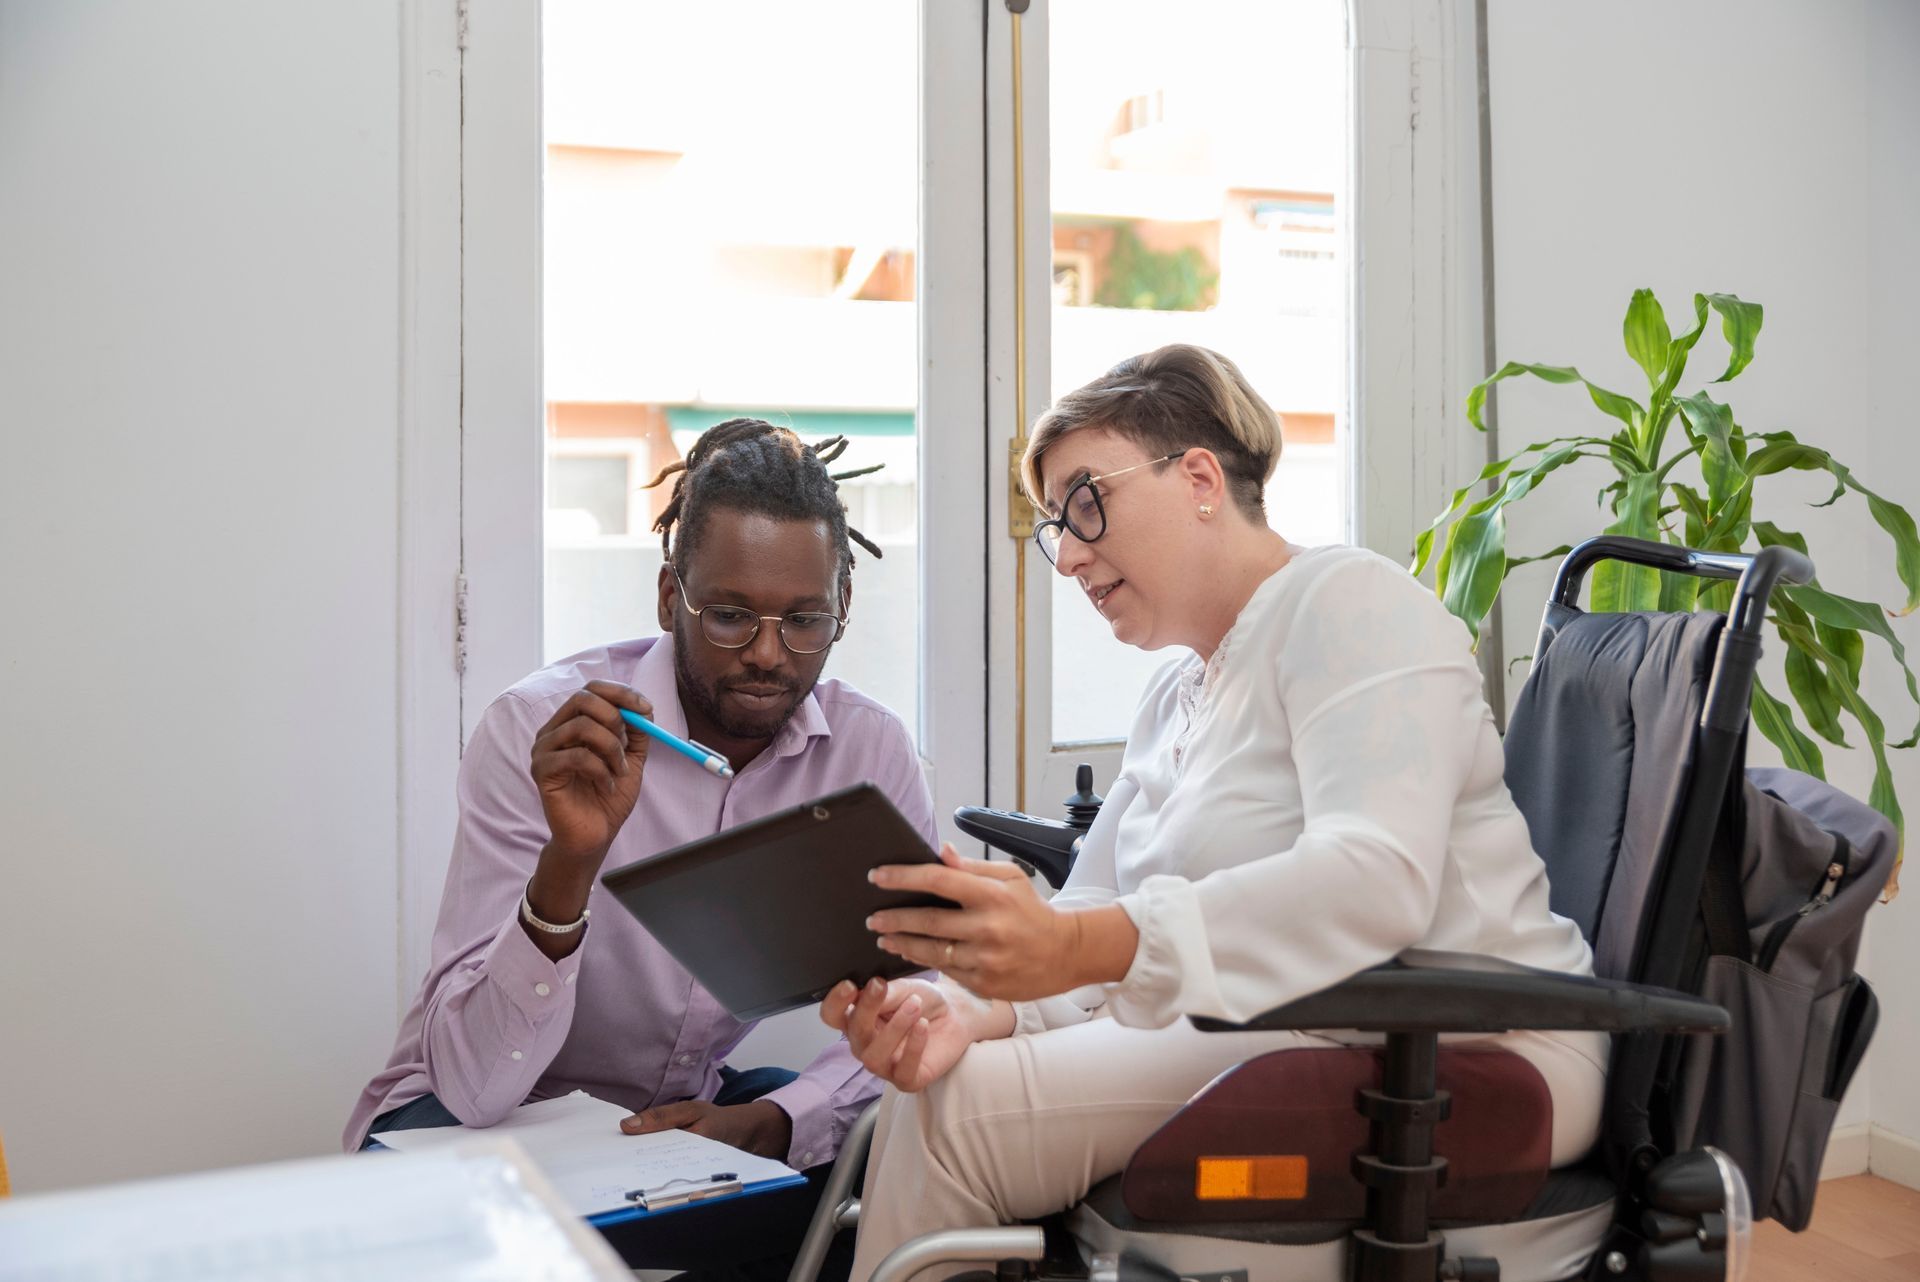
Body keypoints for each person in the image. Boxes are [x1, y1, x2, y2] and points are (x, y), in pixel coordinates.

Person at [819, 344, 1609, 1280]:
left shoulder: (1352, 604)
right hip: (1276, 1022)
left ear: (1198, 476)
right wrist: (965, 1009)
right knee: (937, 1081)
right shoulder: (1173, 697)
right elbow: (1094, 906)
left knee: (953, 1120)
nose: (1067, 553)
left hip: (1463, 1042)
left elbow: (1375, 881)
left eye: (1083, 502)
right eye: (1054, 527)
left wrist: (1077, 952)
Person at [347, 419, 932, 1279]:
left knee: (877, 1186)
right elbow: (474, 1085)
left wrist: (777, 1121)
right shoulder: (543, 732)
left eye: (805, 619)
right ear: (669, 599)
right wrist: (570, 864)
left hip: (670, 1127)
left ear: (843, 606)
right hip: (466, 1120)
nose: (769, 655)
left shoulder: (867, 753)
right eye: (729, 614)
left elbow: (924, 999)